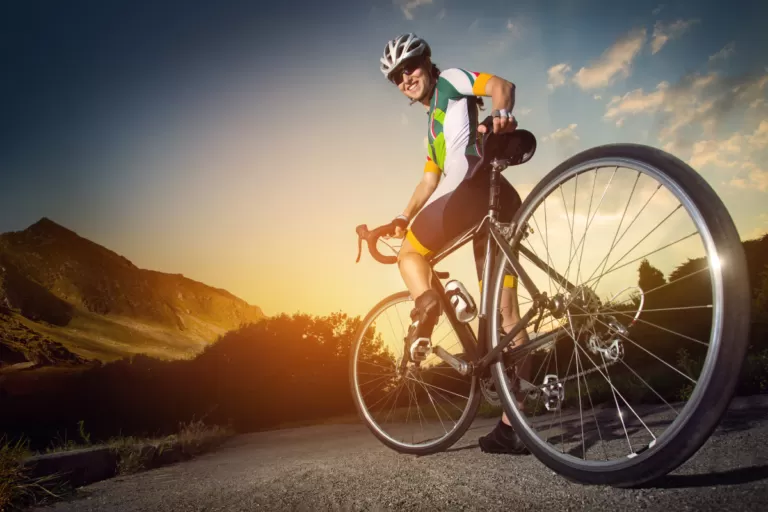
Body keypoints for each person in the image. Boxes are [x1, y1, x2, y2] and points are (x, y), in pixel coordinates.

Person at [379, 33, 532, 455]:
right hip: (497, 200)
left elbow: (502, 87)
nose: (405, 78)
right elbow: (429, 180)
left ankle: (427, 305)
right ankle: (513, 427)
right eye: (396, 76)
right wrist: (403, 216)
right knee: (507, 316)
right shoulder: (433, 130)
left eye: (409, 67)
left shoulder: (449, 80)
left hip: (466, 195)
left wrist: (501, 115)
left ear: (427, 62)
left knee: (410, 255)